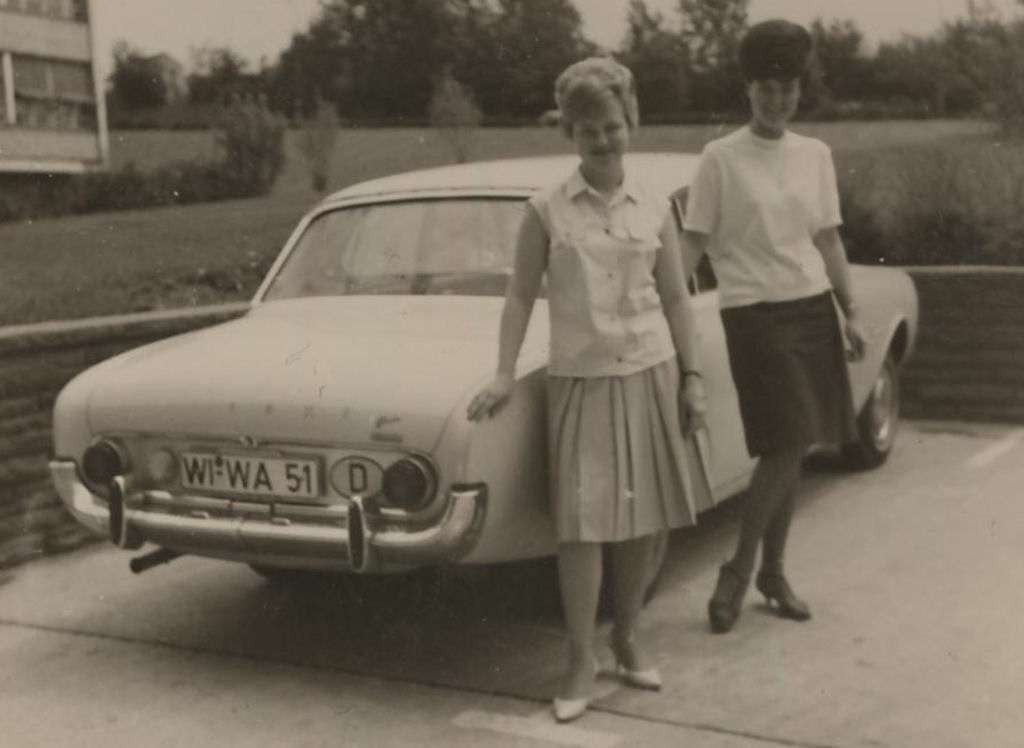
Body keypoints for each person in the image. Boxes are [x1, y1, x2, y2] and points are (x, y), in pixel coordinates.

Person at [467, 57, 708, 723]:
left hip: (650, 372)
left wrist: (692, 378)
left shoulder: (655, 207)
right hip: (581, 380)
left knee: (640, 524)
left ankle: (627, 640)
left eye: (613, 125)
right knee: (581, 531)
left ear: (631, 123)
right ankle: (579, 661)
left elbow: (677, 300)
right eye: (587, 129)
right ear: (568, 133)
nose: (602, 140)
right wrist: (503, 371)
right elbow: (519, 297)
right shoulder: (545, 210)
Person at [677, 19, 867, 634]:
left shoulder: (815, 155)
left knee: (797, 444)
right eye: (766, 88)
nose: (777, 100)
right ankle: (741, 570)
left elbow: (828, 238)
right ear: (748, 89)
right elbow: (693, 242)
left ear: (799, 90)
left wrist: (851, 310)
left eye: (787, 89)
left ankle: (773, 574)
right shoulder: (719, 158)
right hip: (753, 312)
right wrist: (658, 301)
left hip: (812, 306)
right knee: (784, 444)